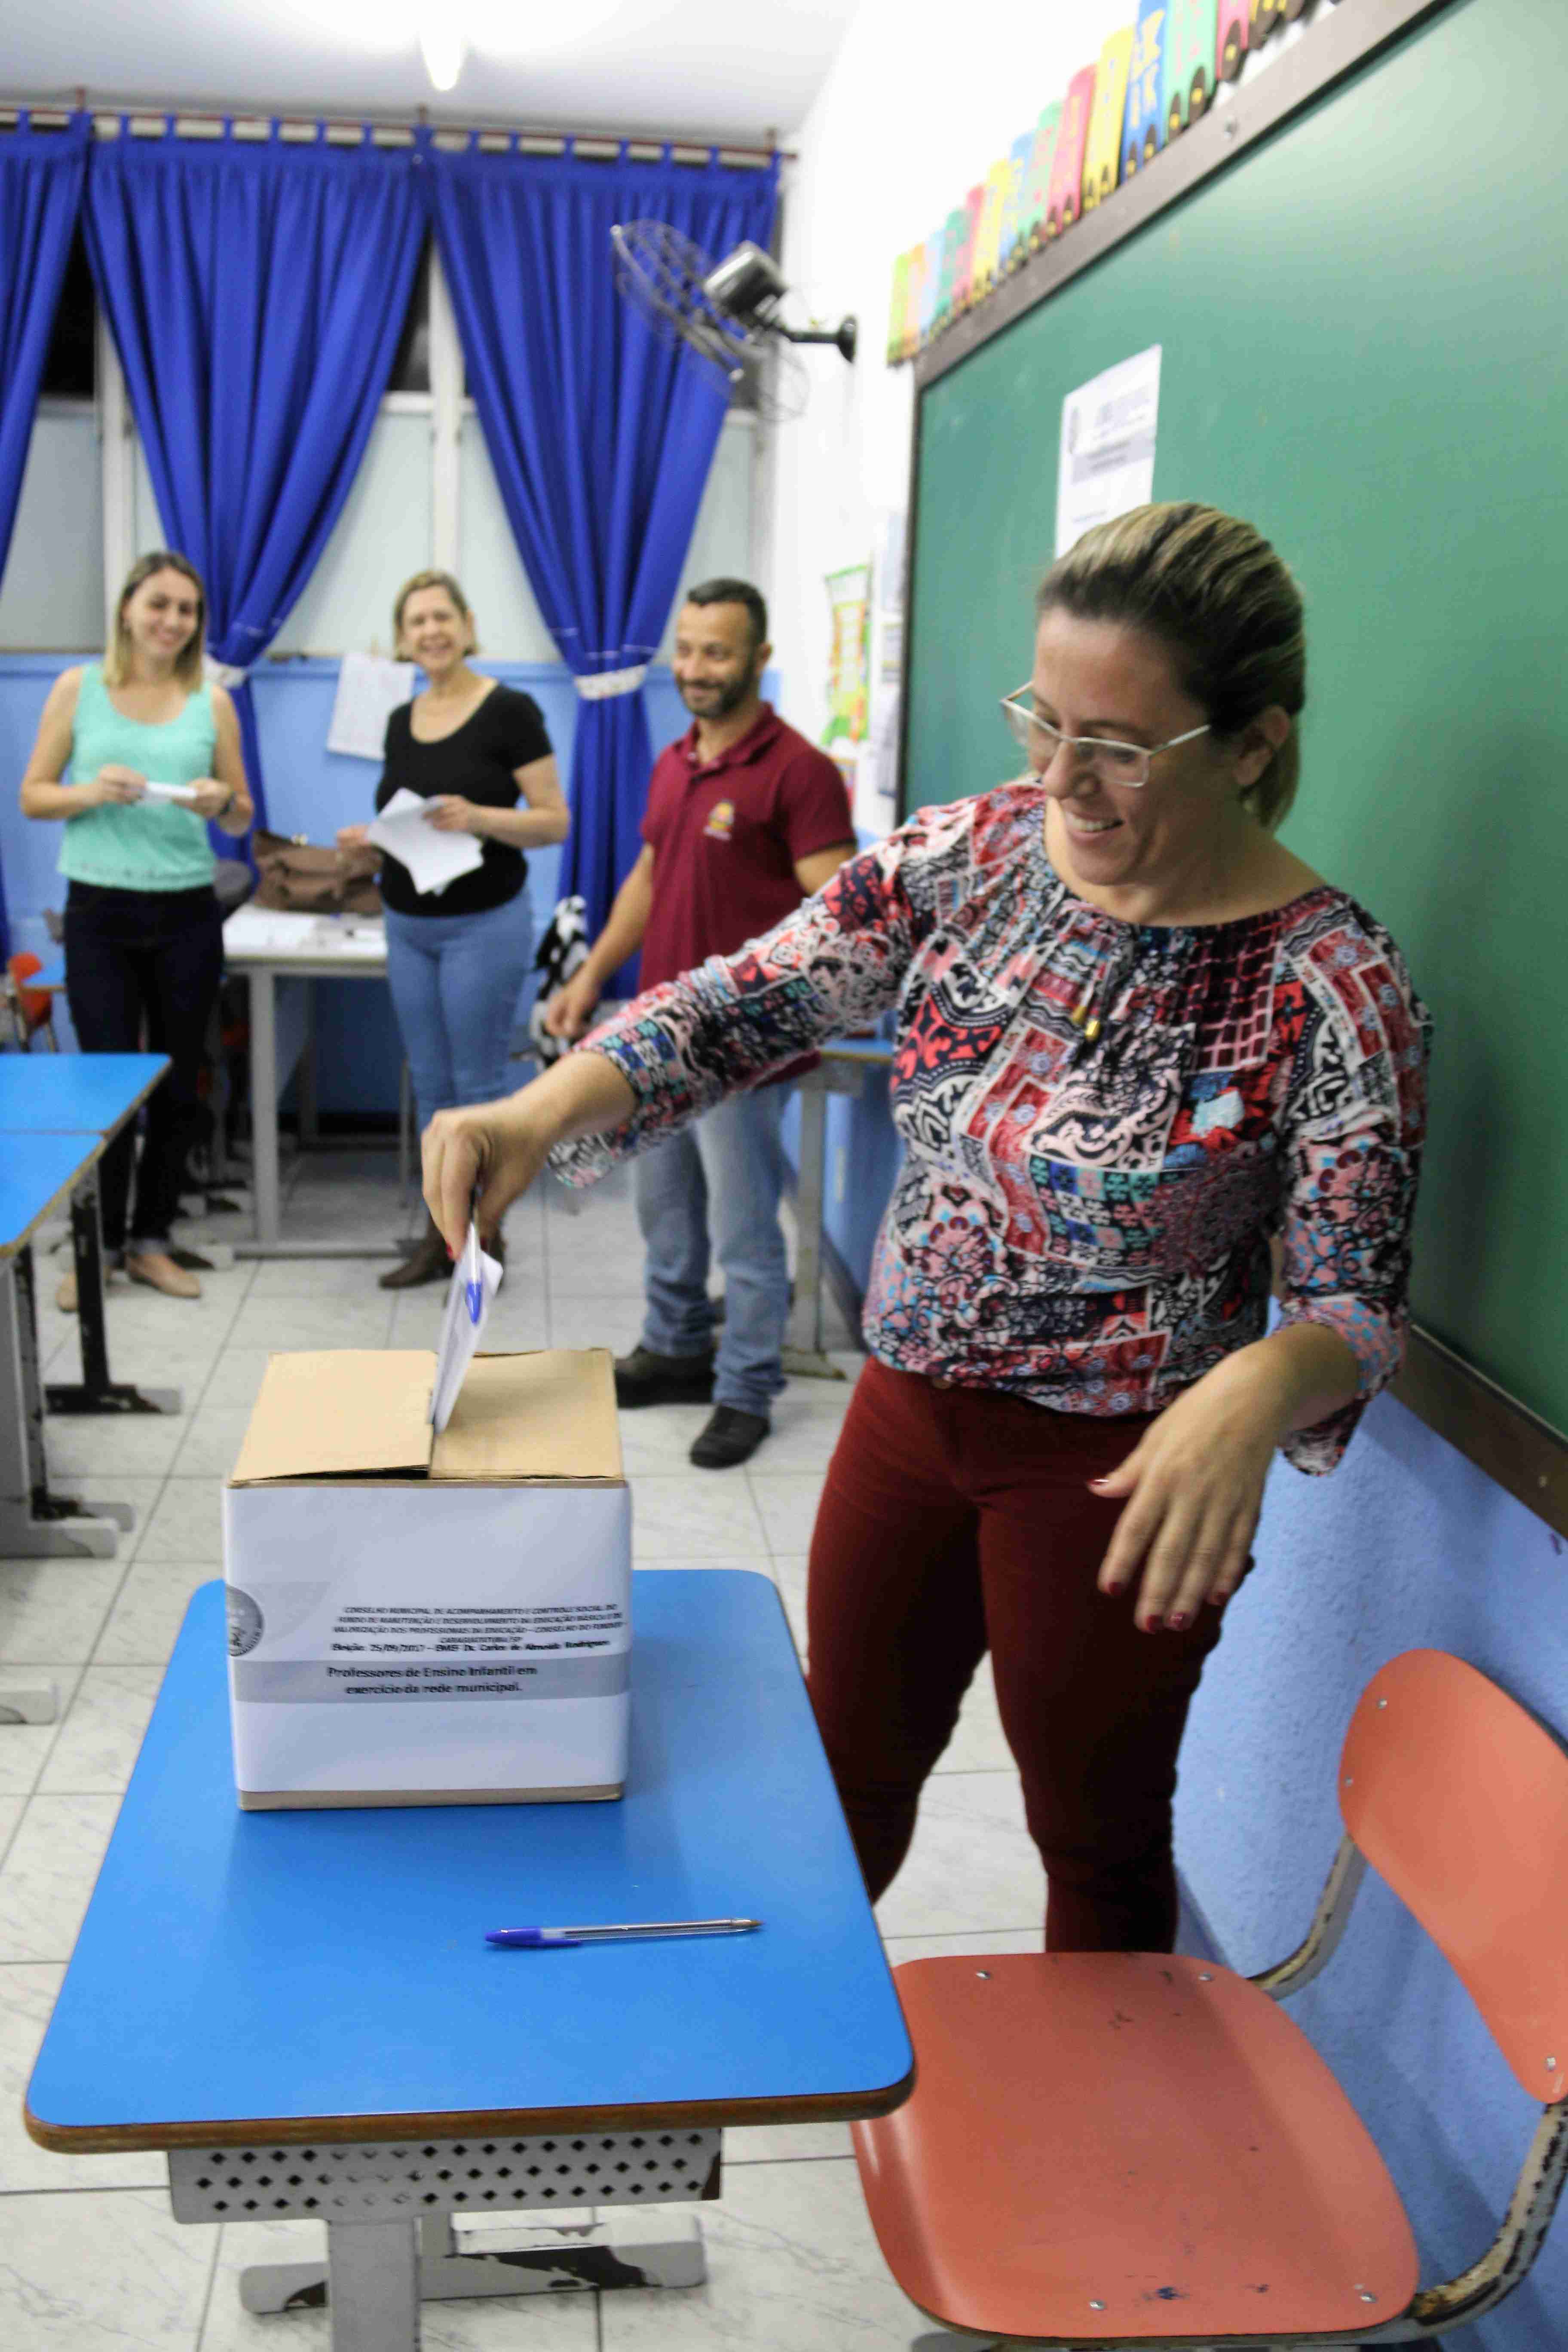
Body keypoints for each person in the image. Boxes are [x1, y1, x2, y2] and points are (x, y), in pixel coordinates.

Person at [421, 503, 1430, 1954]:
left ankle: (1104, 2137)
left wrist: (1255, 1386)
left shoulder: (1329, 983)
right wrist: (536, 1111)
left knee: (1091, 1831)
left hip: (1117, 1465)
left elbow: (1353, 1300)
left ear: (1252, 741)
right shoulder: (962, 860)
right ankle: (779, 2041)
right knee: (844, 1762)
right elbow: (736, 1003)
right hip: (907, 1412)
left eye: (1118, 746)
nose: (1061, 780)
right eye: (1043, 721)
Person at [544, 577, 857, 1468]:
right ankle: (676, 1348)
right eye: (684, 650)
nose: (694, 668)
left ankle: (747, 1387)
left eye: (716, 652)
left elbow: (840, 918)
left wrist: (787, 1013)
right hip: (659, 1038)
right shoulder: (676, 759)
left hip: (745, 1051)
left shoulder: (800, 772)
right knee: (666, 1211)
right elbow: (649, 877)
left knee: (745, 1231)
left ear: (759, 659)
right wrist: (592, 978)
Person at [19, 550, 254, 1305]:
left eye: (187, 610)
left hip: (187, 912)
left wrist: (217, 802)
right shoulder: (78, 689)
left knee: (180, 1086)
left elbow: (243, 813)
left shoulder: (211, 701)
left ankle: (153, 1240)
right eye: (159, 604)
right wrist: (90, 791)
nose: (172, 621)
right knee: (105, 1089)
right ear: (128, 609)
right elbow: (33, 796)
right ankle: (98, 1250)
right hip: (99, 915)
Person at [336, 570, 570, 1288]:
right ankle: (447, 1238)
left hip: (484, 925)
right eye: (417, 621)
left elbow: (555, 820)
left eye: (443, 617)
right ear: (404, 638)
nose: (431, 631)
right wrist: (372, 841)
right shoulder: (399, 722)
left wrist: (481, 817)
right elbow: (410, 822)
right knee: (434, 1089)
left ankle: (484, 1241)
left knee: (476, 1088)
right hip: (407, 923)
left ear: (468, 626)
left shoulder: (511, 711)